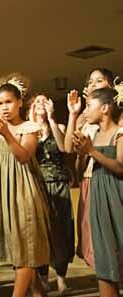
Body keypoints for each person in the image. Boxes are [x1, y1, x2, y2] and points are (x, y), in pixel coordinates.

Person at [0, 74, 50, 297]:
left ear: (20, 102)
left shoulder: (29, 127)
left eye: (9, 102)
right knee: (21, 254)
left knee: (26, 252)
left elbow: (23, 156)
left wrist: (7, 133)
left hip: (25, 193)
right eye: (0, 103)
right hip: (4, 193)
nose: (4, 107)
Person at [72, 87, 123, 297]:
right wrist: (81, 154)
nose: (86, 110)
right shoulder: (92, 134)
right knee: (104, 256)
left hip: (117, 197)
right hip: (98, 198)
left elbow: (120, 167)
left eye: (89, 106)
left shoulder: (119, 133)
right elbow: (79, 170)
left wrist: (91, 151)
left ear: (105, 108)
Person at [64, 68, 115, 268]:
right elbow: (68, 147)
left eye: (99, 81)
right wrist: (73, 114)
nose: (93, 85)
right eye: (90, 81)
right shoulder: (86, 117)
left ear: (111, 87)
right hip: (89, 179)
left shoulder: (116, 115)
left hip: (111, 178)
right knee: (92, 238)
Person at [29, 94, 75, 294]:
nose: (41, 104)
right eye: (36, 102)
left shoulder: (60, 127)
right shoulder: (28, 130)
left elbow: (64, 147)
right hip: (37, 185)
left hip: (58, 183)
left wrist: (52, 119)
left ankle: (62, 277)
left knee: (62, 229)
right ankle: (43, 276)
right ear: (30, 108)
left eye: (44, 101)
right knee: (42, 232)